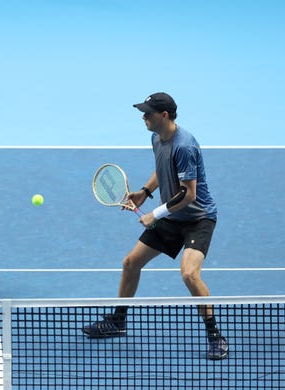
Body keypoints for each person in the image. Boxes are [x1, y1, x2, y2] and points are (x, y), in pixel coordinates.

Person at [82, 92, 229, 360]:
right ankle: (118, 321)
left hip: (198, 219)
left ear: (164, 115)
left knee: (189, 274)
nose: (143, 117)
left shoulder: (184, 146)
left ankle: (215, 335)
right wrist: (145, 192)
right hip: (172, 217)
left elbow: (189, 193)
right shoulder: (157, 138)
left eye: (148, 113)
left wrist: (155, 214)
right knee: (130, 263)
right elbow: (162, 170)